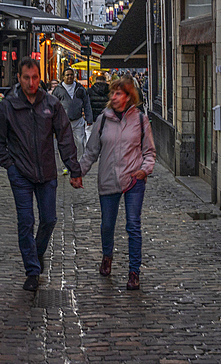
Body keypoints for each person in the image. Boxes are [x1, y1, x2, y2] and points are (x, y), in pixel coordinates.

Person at [0, 57, 83, 292]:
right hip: (20, 173)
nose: (31, 83)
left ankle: (37, 253)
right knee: (26, 222)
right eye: (26, 78)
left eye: (35, 77)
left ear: (39, 78)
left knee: (49, 219)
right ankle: (32, 270)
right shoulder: (8, 106)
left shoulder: (51, 104)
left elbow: (65, 137)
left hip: (47, 171)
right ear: (19, 78)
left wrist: (74, 169)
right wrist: (10, 166)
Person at [78, 76, 155, 291]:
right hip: (108, 177)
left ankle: (134, 272)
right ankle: (107, 256)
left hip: (133, 179)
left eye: (118, 93)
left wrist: (144, 169)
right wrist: (79, 173)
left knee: (133, 225)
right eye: (112, 93)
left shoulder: (140, 119)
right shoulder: (103, 119)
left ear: (129, 97)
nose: (113, 97)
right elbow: (91, 151)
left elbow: (149, 151)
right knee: (107, 225)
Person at [53, 67, 93, 159]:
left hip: (78, 120)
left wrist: (89, 118)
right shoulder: (58, 90)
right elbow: (53, 107)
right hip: (63, 122)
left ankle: (79, 164)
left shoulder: (80, 88)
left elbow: (87, 104)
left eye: (71, 75)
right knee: (64, 144)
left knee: (80, 142)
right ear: (63, 77)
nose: (70, 77)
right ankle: (65, 166)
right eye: (67, 75)